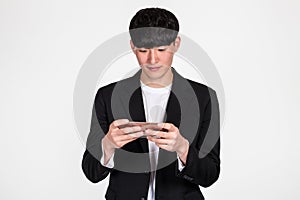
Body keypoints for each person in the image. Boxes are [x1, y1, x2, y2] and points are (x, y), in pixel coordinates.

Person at [82, 7, 220, 200]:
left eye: (161, 50)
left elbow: (210, 174)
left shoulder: (204, 97)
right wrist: (107, 145)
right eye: (143, 50)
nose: (152, 59)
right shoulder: (107, 96)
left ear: (176, 44)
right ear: (132, 47)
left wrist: (183, 148)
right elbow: (91, 172)